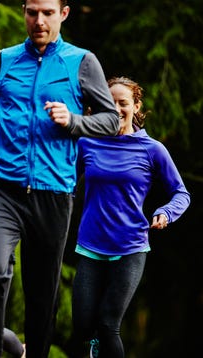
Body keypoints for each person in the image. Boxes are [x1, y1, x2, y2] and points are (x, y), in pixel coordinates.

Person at [0, 0, 120, 356]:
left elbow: (111, 120)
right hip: (2, 188)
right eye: (32, 12)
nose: (39, 21)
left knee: (41, 294)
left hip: (53, 192)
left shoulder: (82, 62)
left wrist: (73, 121)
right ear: (24, 12)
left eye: (47, 13)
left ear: (63, 14)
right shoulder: (3, 60)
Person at [71, 76, 191, 358]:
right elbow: (64, 182)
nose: (116, 109)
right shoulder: (87, 144)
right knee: (83, 327)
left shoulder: (152, 149)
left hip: (130, 247)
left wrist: (165, 212)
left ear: (136, 106)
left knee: (107, 324)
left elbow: (181, 193)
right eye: (109, 103)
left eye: (123, 103)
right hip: (90, 245)